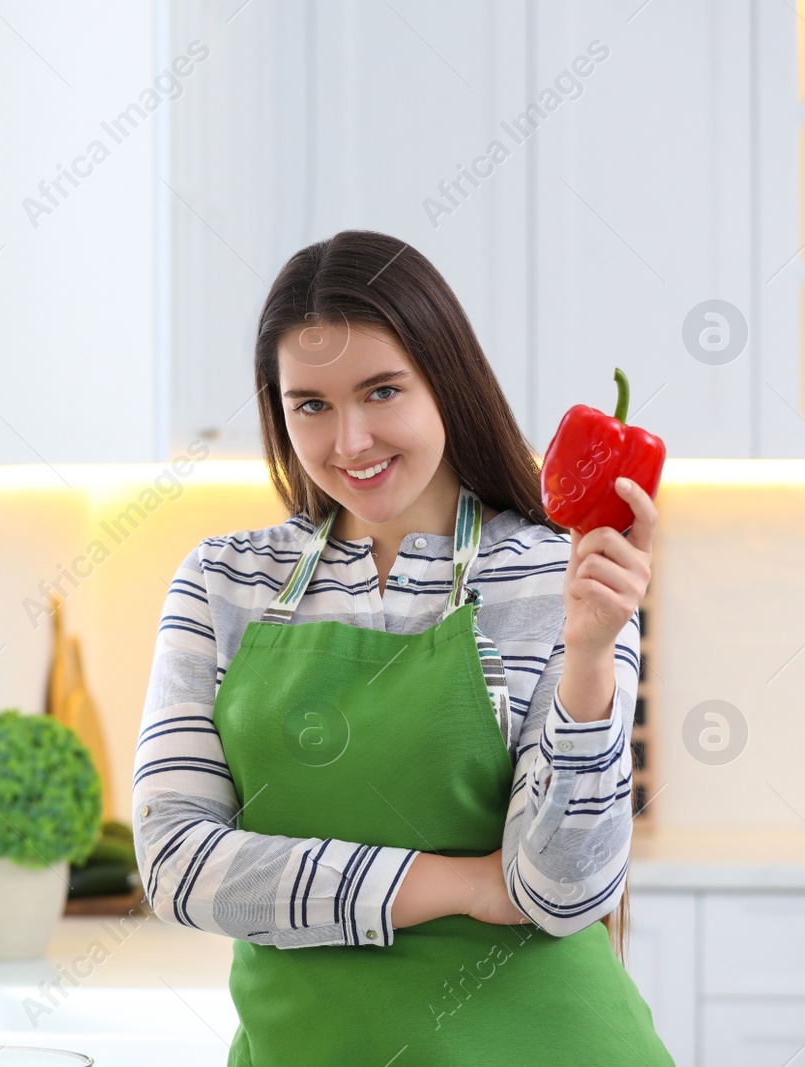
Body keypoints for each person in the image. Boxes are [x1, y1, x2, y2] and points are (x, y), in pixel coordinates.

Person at [131, 230, 674, 1064]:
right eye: (310, 403)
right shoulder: (222, 582)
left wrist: (591, 658)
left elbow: (563, 892)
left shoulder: (548, 573)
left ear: (445, 383)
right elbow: (173, 862)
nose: (349, 441)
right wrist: (459, 883)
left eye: (382, 391)